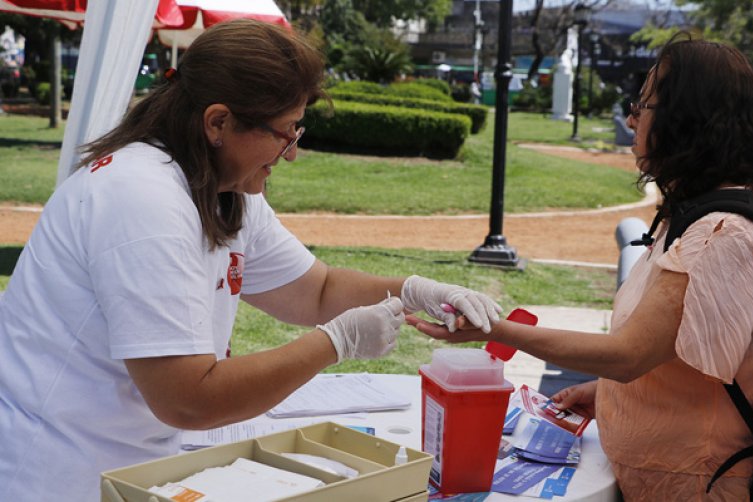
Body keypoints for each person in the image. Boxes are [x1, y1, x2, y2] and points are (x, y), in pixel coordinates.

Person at [0, 19, 500, 501]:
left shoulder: (222, 187)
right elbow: (189, 397)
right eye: (286, 133)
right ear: (218, 122)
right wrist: (336, 342)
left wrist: (413, 290)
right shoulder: (141, 200)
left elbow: (315, 290)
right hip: (59, 474)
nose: (291, 154)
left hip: (128, 462)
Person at [409, 34, 753, 500]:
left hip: (698, 484)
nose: (632, 117)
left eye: (644, 104)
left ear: (685, 121)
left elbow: (628, 355)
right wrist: (611, 395)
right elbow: (677, 359)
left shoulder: (723, 235)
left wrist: (495, 330)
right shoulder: (714, 210)